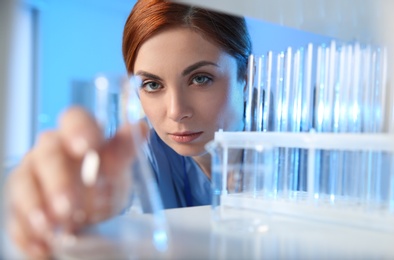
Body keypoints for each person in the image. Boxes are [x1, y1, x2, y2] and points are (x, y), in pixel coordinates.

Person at [5, 0, 252, 258]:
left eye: (200, 79)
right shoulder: (139, 156)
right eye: (153, 85)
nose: (176, 111)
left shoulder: (292, 158)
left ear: (244, 78)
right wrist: (60, 205)